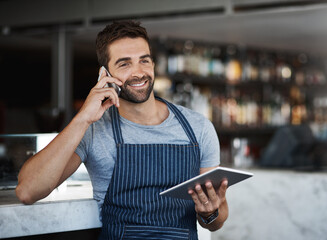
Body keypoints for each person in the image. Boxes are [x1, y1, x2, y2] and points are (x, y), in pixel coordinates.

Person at [15, 20, 228, 239]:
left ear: (153, 64)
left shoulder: (198, 127)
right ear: (105, 74)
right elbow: (27, 191)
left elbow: (218, 219)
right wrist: (83, 118)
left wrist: (210, 213)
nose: (138, 72)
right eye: (125, 64)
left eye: (144, 61)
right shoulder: (94, 130)